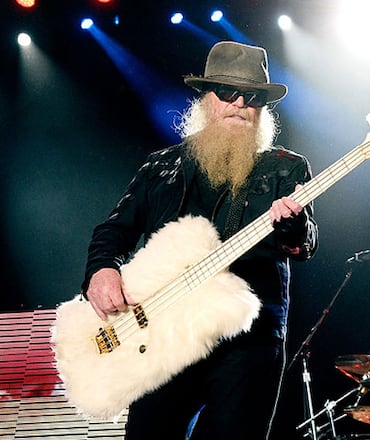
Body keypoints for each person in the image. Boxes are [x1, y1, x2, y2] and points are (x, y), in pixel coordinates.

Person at [80, 41, 318, 439]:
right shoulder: (161, 168)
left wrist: (292, 226)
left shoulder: (285, 168)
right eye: (228, 92)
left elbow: (305, 244)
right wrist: (102, 270)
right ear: (206, 99)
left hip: (247, 340)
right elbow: (113, 230)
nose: (240, 103)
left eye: (253, 97)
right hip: (165, 334)